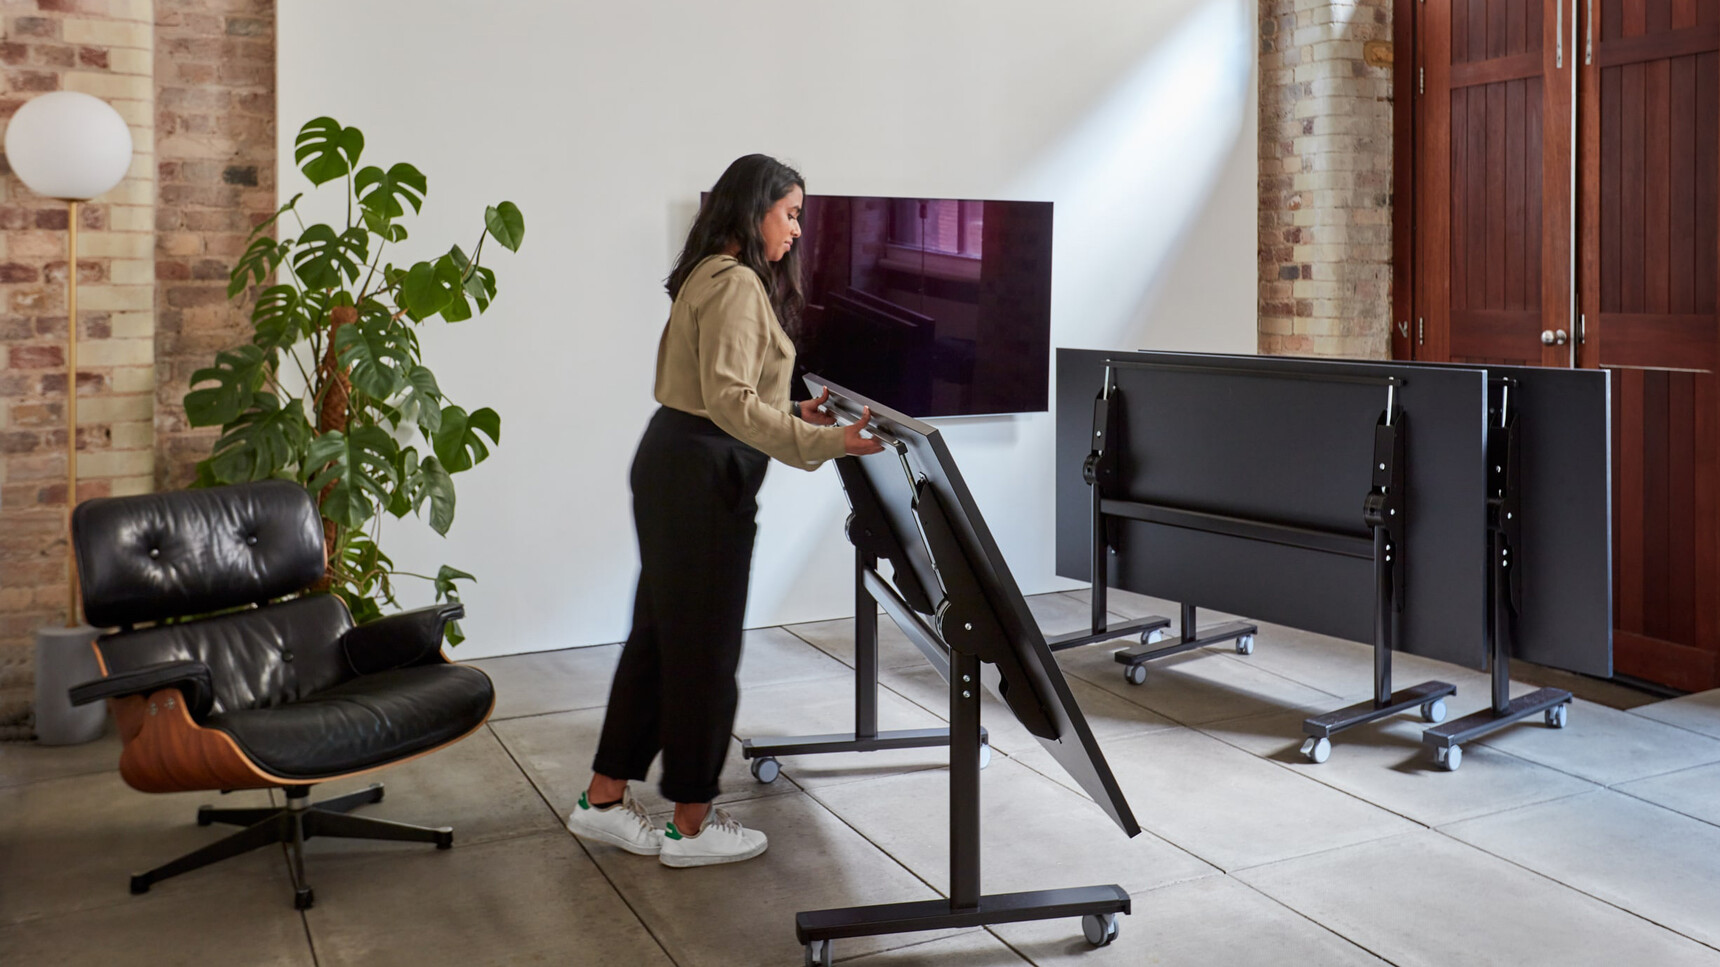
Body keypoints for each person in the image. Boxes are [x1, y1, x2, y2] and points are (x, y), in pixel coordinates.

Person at [566, 154, 884, 868]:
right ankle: (692, 821)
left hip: (676, 459)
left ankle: (604, 798)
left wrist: (789, 409)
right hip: (703, 474)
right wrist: (830, 439)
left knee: (658, 639)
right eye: (791, 213)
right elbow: (733, 405)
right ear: (755, 209)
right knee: (706, 652)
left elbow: (723, 392)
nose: (798, 230)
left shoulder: (708, 271)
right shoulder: (740, 285)